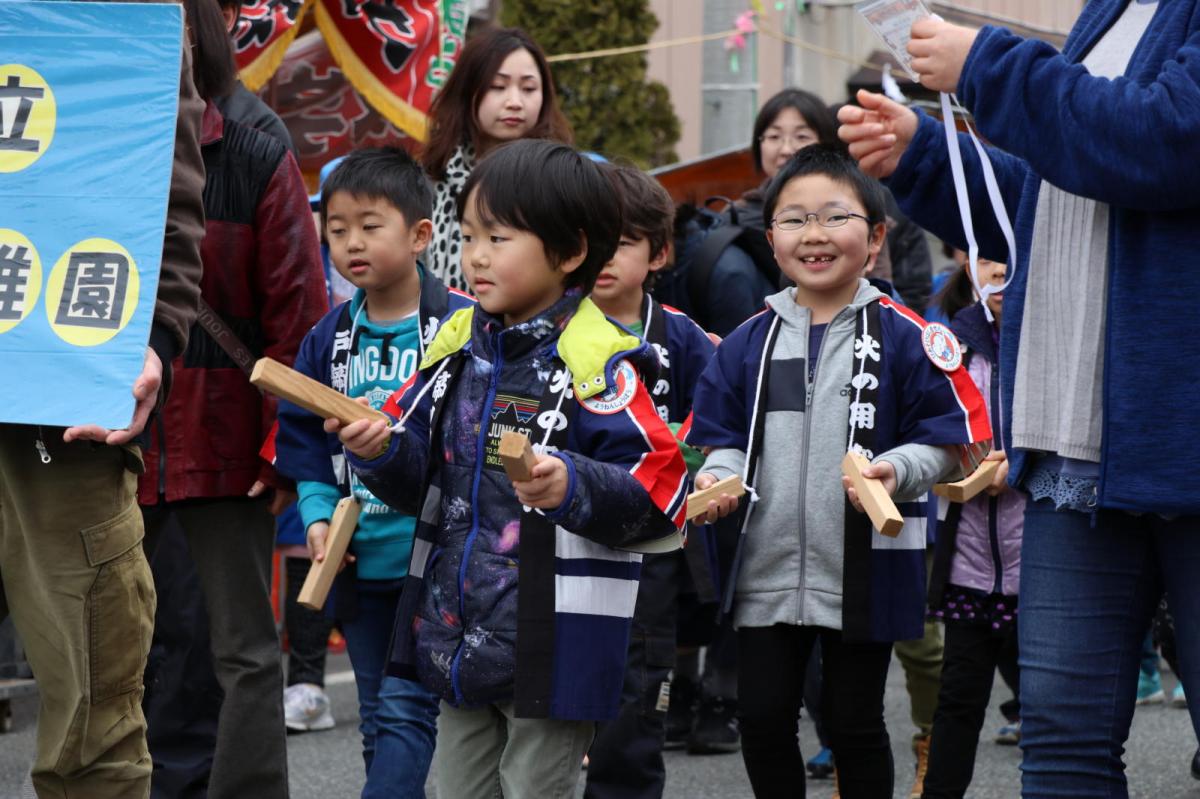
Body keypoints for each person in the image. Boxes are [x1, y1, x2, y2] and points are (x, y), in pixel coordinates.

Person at [838, 3, 1200, 795]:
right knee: (1060, 747)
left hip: (1180, 434)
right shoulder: (1111, 13)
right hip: (1074, 440)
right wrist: (925, 155)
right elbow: (1055, 199)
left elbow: (1164, 141)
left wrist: (987, 65)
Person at [326, 139, 688, 798]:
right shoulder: (459, 341)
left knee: (532, 789)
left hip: (554, 641)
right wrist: (375, 449)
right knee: (458, 791)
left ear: (571, 250)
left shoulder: (598, 357)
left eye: (498, 236)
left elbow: (660, 489)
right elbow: (416, 480)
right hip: (456, 628)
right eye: (468, 236)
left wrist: (570, 483)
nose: (476, 256)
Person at [685, 145, 990, 798]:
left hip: (867, 563)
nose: (814, 234)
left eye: (834, 216)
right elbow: (720, 439)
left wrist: (897, 468)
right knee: (763, 717)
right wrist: (718, 477)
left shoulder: (908, 336)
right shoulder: (747, 342)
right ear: (771, 239)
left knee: (855, 722)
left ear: (876, 237)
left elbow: (952, 440)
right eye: (794, 219)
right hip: (765, 565)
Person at [0, 1, 204, 796]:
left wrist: (155, 334)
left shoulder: (126, 16)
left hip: (64, 399)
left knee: (94, 705)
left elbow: (169, 189)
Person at [136, 0, 328, 795]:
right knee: (123, 644)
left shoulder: (251, 153)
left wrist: (283, 448)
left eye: (168, 29)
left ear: (199, 39)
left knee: (244, 648)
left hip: (225, 441)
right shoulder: (83, 156)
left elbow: (299, 320)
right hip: (106, 443)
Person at [272, 147, 474, 796]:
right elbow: (300, 436)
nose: (351, 242)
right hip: (360, 561)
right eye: (336, 229)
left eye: (369, 224)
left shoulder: (464, 324)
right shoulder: (325, 337)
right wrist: (317, 514)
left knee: (405, 710)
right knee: (376, 719)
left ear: (421, 234)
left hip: (438, 559)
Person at [583, 164, 717, 799]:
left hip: (653, 544)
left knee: (636, 699)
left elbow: (719, 423)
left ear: (658, 252)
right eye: (586, 240)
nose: (601, 259)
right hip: (564, 534)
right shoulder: (551, 330)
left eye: (621, 243)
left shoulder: (684, 339)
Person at [922, 257, 1023, 799]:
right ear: (966, 262)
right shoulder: (945, 344)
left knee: (1060, 711)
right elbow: (926, 425)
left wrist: (1023, 463)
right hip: (968, 562)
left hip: (1047, 558)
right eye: (988, 259)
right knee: (958, 700)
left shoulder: (1058, 335)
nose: (1002, 272)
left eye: (1014, 257)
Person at [419, 26, 572, 292]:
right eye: (497, 86)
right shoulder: (427, 182)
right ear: (466, 92)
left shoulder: (563, 182)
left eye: (528, 88)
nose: (515, 101)